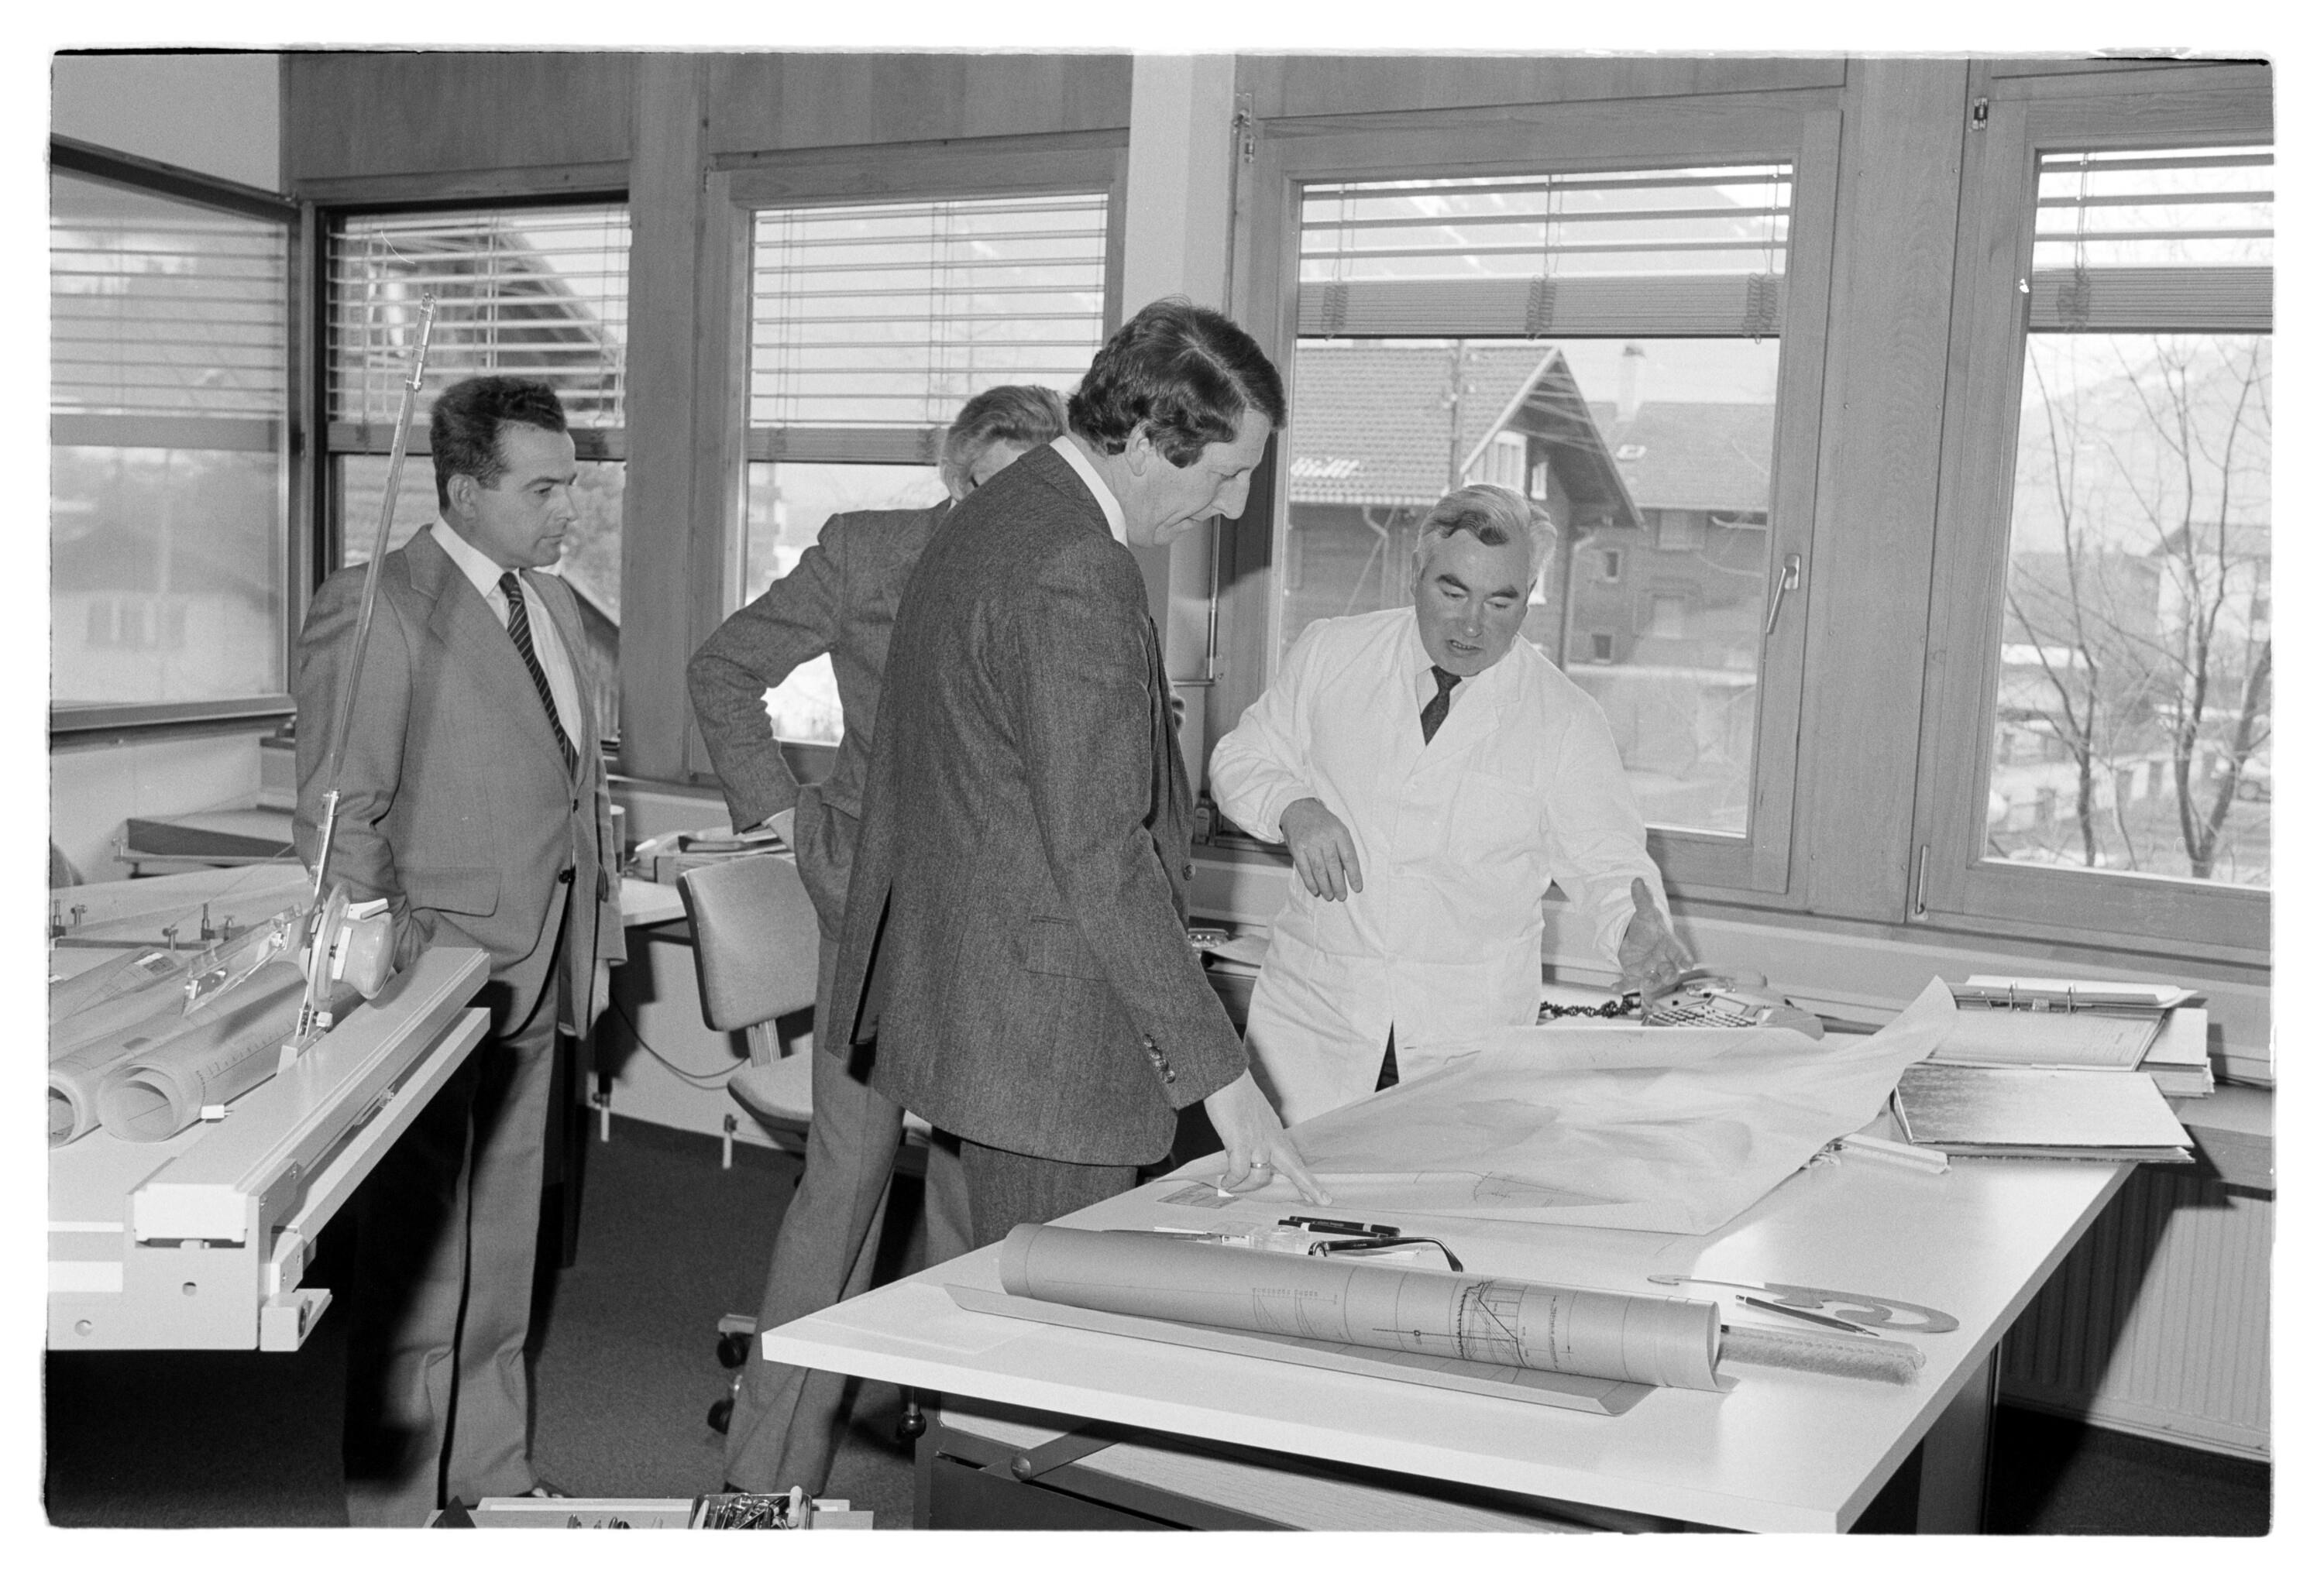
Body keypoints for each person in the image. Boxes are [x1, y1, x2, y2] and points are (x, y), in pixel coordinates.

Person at [828, 297, 1329, 1248]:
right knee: (1053, 1315)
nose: (1233, 507)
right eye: (1228, 474)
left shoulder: (996, 513)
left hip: (974, 1000)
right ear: (1144, 442)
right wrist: (1227, 1081)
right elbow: (1101, 850)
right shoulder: (1077, 565)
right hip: (1050, 1039)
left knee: (987, 1288)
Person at [686, 383, 1066, 1498]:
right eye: (991, 485)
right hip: (876, 915)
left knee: (977, 1197)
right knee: (845, 1193)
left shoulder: (1068, 574)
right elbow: (723, 667)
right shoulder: (867, 554)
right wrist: (787, 818)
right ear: (956, 477)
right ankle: (766, 1479)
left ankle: (966, 1466)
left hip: (1001, 930)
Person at [294, 375, 624, 1526]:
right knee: (419, 1255)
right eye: (543, 490)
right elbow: (342, 818)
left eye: (570, 486)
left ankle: (489, 1475)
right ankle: (396, 1513)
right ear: (465, 489)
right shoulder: (378, 603)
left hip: (539, 959)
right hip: (433, 978)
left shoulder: (556, 606)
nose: (567, 511)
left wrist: (597, 938)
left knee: (505, 1233)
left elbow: (573, 794)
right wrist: (380, 972)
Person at [1209, 482, 1690, 1125]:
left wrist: (1635, 931)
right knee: (1285, 1188)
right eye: (1453, 592)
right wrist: (1293, 807)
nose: (1471, 625)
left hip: (1462, 1043)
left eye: (1501, 601)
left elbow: (1608, 862)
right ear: (1417, 574)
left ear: (1529, 596)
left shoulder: (1566, 719)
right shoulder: (1332, 653)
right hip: (1313, 1030)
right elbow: (1239, 760)